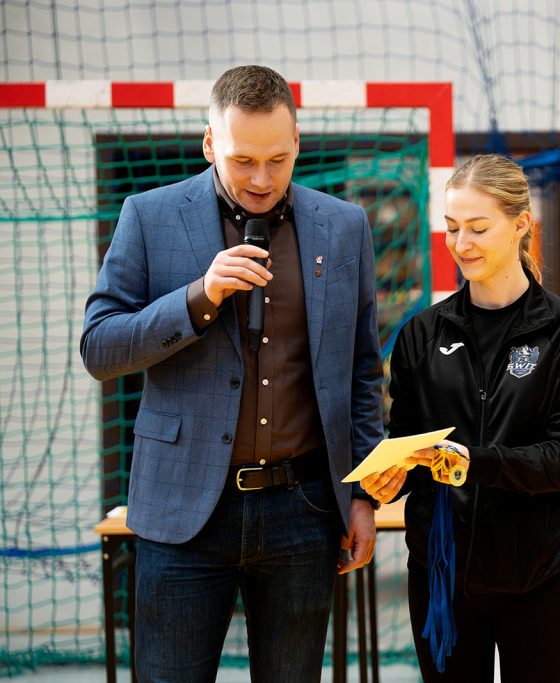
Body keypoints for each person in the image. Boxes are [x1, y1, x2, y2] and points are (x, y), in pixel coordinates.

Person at [80, 65, 384, 682]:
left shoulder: (345, 225)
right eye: (243, 160)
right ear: (209, 143)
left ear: (297, 141)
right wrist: (199, 297)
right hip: (181, 510)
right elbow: (99, 348)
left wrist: (363, 497)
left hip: (305, 510)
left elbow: (361, 371)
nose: (261, 179)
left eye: (278, 160)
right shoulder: (148, 216)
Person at [362, 154, 560, 682]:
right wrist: (390, 477)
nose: (461, 243)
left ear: (521, 225)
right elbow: (407, 443)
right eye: (452, 228)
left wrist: (473, 462)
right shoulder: (421, 335)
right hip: (442, 578)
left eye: (478, 228)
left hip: (540, 578)